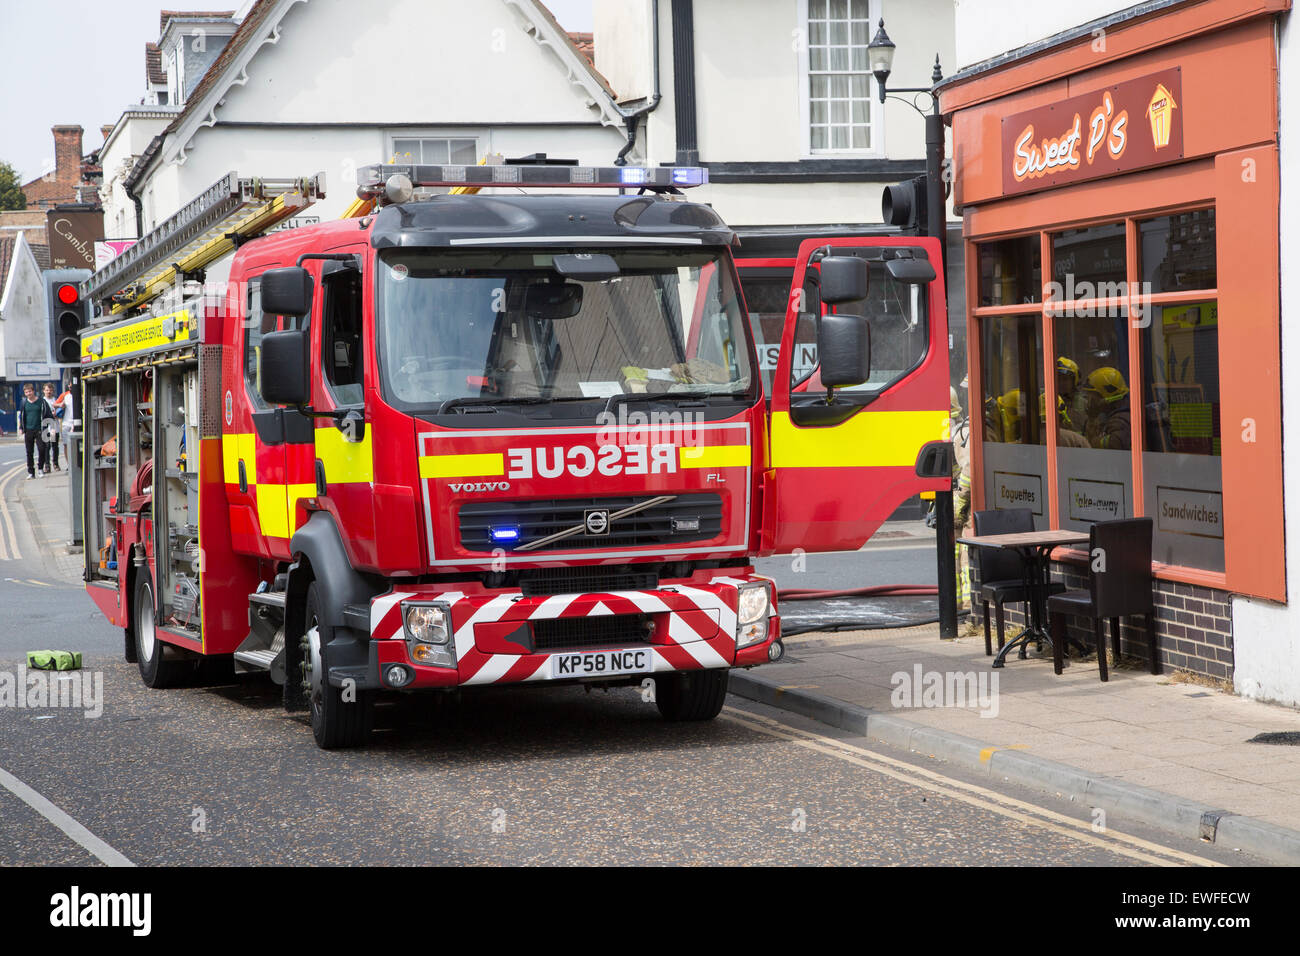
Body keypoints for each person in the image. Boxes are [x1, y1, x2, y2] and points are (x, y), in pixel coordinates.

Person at [1080, 366, 1132, 450]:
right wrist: (1092, 418)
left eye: (1092, 397)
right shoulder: (1109, 416)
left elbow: (1115, 444)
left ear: (1106, 398)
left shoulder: (1120, 420)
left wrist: (1093, 441)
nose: (1089, 401)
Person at [18, 384, 49, 479]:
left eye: (30, 391)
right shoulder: (24, 403)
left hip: (40, 429)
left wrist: (50, 428)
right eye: (26, 392)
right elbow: (22, 416)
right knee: (29, 452)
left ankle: (40, 468)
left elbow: (48, 414)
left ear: (33, 391)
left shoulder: (42, 402)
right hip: (28, 430)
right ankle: (31, 472)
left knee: (42, 449)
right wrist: (21, 428)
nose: (28, 394)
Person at [42, 383, 64, 471]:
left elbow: (61, 411)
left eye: (50, 390)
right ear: (44, 391)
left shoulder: (56, 400)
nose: (49, 392)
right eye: (47, 390)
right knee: (46, 446)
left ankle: (56, 464)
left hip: (54, 425)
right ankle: (47, 465)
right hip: (45, 424)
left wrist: (57, 413)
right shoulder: (42, 401)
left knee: (54, 446)